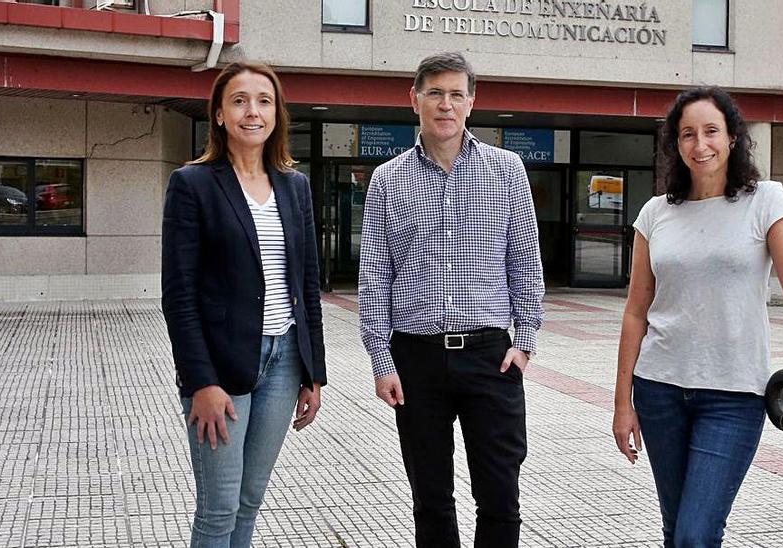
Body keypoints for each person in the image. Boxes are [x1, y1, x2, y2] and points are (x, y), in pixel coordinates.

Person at [611, 86, 783, 548]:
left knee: (695, 534)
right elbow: (636, 311)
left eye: (711, 131)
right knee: (677, 531)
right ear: (676, 143)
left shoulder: (766, 201)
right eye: (687, 134)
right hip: (659, 390)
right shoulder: (656, 212)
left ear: (733, 137)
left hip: (733, 396)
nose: (700, 144)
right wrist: (621, 403)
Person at [358, 51, 545, 548]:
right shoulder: (387, 179)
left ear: (472, 102)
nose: (446, 104)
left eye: (456, 94)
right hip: (416, 358)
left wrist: (523, 341)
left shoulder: (506, 171)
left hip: (491, 356)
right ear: (414, 99)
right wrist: (381, 359)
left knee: (500, 494)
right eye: (435, 93)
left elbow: (525, 260)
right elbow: (376, 272)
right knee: (431, 498)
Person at [161, 61, 326, 548]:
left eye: (263, 101)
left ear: (277, 113)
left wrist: (313, 374)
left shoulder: (294, 186)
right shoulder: (192, 184)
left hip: (284, 362)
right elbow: (179, 295)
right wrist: (201, 382)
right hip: (221, 368)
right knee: (218, 508)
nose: (252, 111)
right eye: (239, 100)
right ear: (218, 114)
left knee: (250, 500)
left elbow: (307, 282)